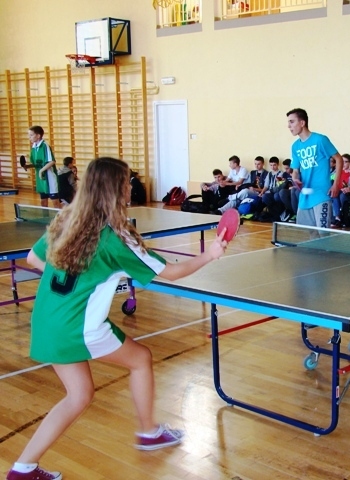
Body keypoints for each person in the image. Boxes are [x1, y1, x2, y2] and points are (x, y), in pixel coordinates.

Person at [5, 157, 228, 480]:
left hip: (48, 320)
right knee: (140, 359)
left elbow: (33, 259)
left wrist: (85, 279)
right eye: (126, 182)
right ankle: (148, 432)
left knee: (79, 395)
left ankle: (23, 468)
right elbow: (171, 272)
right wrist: (210, 254)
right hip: (79, 327)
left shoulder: (67, 220)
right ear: (115, 189)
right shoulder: (116, 238)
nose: (129, 187)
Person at [287, 108, 342, 228]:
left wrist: (336, 184)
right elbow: (295, 170)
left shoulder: (320, 140)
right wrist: (295, 179)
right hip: (305, 196)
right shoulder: (295, 146)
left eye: (292, 122)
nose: (288, 126)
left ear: (302, 123)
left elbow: (339, 159)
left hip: (321, 194)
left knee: (323, 234)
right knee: (306, 234)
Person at [25, 126, 60, 208]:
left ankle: (62, 216)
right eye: (28, 135)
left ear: (38, 135)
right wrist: (28, 166)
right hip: (41, 180)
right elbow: (37, 164)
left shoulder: (45, 146)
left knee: (55, 202)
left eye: (31, 135)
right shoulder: (34, 147)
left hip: (50, 179)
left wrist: (41, 171)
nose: (29, 137)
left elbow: (52, 161)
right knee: (43, 202)